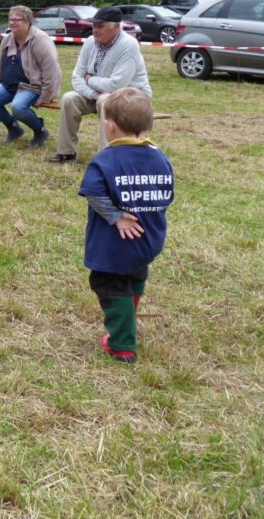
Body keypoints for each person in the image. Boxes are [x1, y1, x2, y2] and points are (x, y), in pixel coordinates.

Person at [78, 87, 174, 363]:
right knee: (134, 276)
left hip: (114, 244)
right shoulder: (160, 157)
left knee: (109, 284)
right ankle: (127, 320)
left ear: (109, 126)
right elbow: (168, 192)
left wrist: (116, 216)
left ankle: (121, 343)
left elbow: (94, 192)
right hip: (147, 237)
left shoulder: (105, 160)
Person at [48, 6, 151, 163]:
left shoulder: (129, 44)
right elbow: (76, 77)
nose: (95, 30)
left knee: (105, 100)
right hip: (97, 93)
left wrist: (90, 80)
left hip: (132, 96)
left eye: (101, 26)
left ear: (116, 27)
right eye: (94, 25)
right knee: (69, 98)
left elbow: (117, 85)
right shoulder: (90, 42)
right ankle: (66, 152)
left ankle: (105, 157)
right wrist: (93, 94)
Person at [0, 5, 61, 147]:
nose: (12, 22)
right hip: (9, 85)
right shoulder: (8, 39)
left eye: (17, 19)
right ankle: (14, 128)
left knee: (18, 107)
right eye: (10, 19)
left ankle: (40, 130)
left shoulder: (41, 40)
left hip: (31, 86)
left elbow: (52, 70)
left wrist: (46, 95)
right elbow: (0, 62)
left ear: (28, 21)